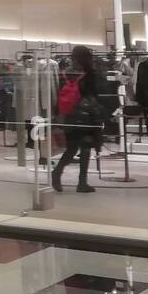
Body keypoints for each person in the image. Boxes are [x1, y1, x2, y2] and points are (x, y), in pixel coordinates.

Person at [51, 44, 103, 194]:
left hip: (68, 117)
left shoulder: (65, 73)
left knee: (72, 148)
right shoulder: (89, 74)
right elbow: (93, 95)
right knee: (85, 148)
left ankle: (57, 172)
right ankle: (82, 182)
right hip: (85, 117)